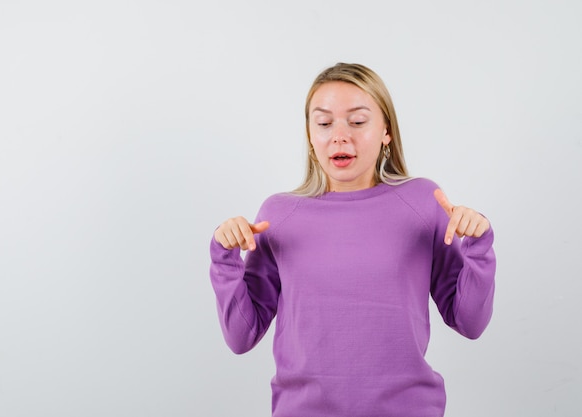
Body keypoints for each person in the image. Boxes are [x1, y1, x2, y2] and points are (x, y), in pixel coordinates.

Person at [209, 62, 496, 417]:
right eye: (324, 123)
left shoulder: (424, 202)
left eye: (357, 122)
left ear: (386, 131)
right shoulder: (278, 215)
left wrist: (478, 246)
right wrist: (225, 257)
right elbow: (241, 337)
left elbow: (470, 322)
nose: (339, 136)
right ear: (311, 136)